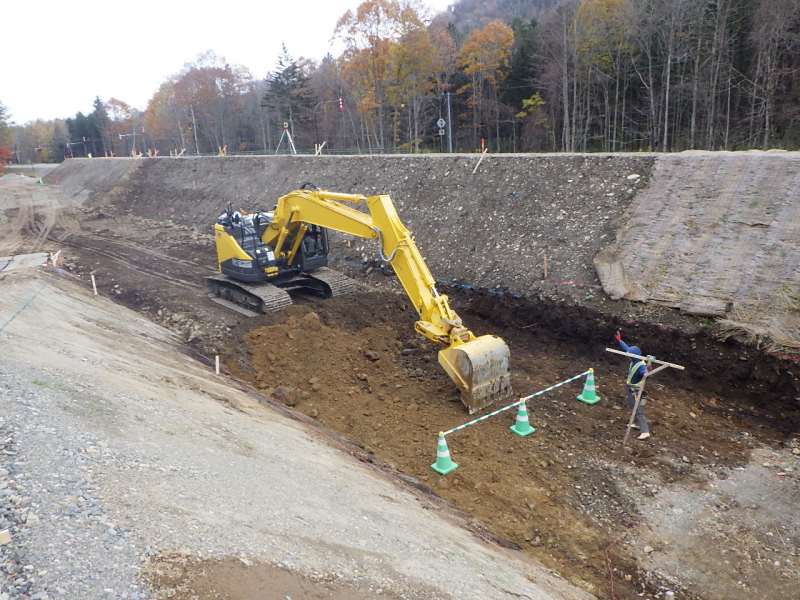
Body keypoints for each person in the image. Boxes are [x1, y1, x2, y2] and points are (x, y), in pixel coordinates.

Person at [615, 331, 651, 440]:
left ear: (633, 356)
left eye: (629, 356)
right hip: (630, 388)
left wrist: (648, 371)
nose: (627, 357)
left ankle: (645, 431)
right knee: (632, 406)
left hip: (636, 389)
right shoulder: (635, 358)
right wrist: (620, 341)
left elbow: (648, 375)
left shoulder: (640, 365)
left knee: (637, 408)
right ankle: (636, 423)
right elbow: (626, 349)